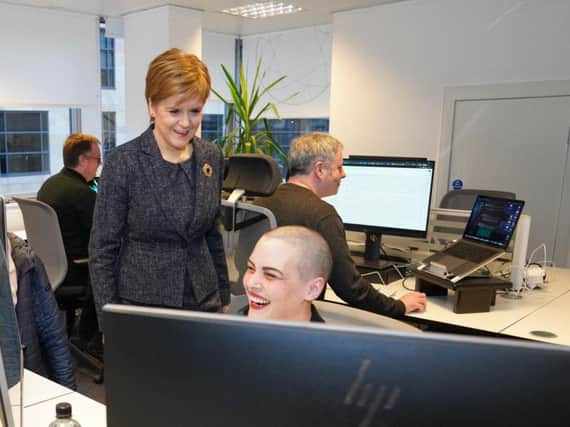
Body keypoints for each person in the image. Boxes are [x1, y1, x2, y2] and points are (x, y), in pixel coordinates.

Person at [89, 48, 230, 329]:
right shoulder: (125, 161)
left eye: (195, 111)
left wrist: (224, 296)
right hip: (143, 305)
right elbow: (102, 249)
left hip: (204, 300)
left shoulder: (211, 156)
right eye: (174, 110)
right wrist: (110, 322)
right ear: (152, 106)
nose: (186, 122)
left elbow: (212, 233)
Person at [255, 132, 427, 317]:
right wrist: (398, 306)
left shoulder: (261, 203)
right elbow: (351, 288)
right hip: (297, 321)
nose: (343, 174)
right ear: (319, 170)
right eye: (339, 167)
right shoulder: (321, 214)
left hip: (258, 309)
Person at [37, 133, 102, 353]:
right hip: (76, 269)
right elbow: (105, 237)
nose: (99, 166)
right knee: (118, 266)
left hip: (49, 269)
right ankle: (91, 339)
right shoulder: (83, 194)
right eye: (97, 160)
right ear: (83, 160)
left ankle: (84, 334)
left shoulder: (50, 185)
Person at [241, 226, 332, 322]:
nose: (250, 283)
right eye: (251, 268)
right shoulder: (227, 332)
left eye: (270, 275)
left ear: (312, 290)